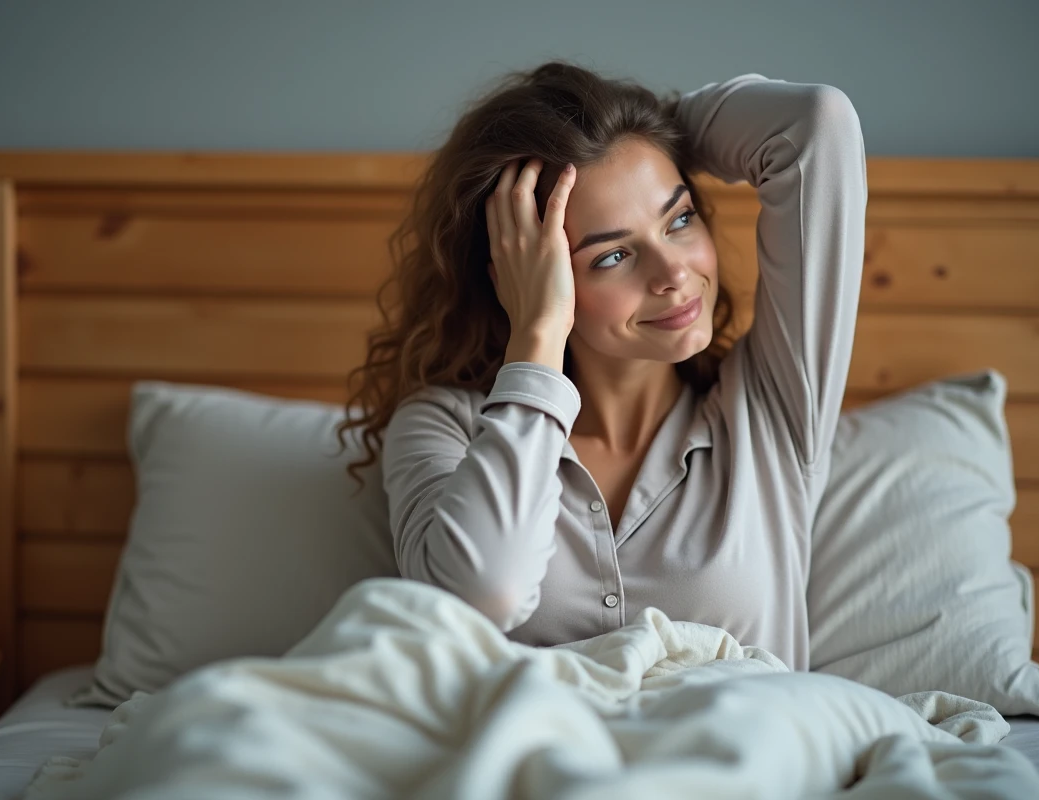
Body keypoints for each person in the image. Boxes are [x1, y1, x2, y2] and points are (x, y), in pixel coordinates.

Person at [338, 60, 867, 672]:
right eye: (613, 255)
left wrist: (651, 124)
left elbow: (816, 125)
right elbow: (482, 594)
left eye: (680, 219)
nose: (673, 274)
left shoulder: (770, 407)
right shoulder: (445, 427)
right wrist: (537, 333)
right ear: (524, 277)